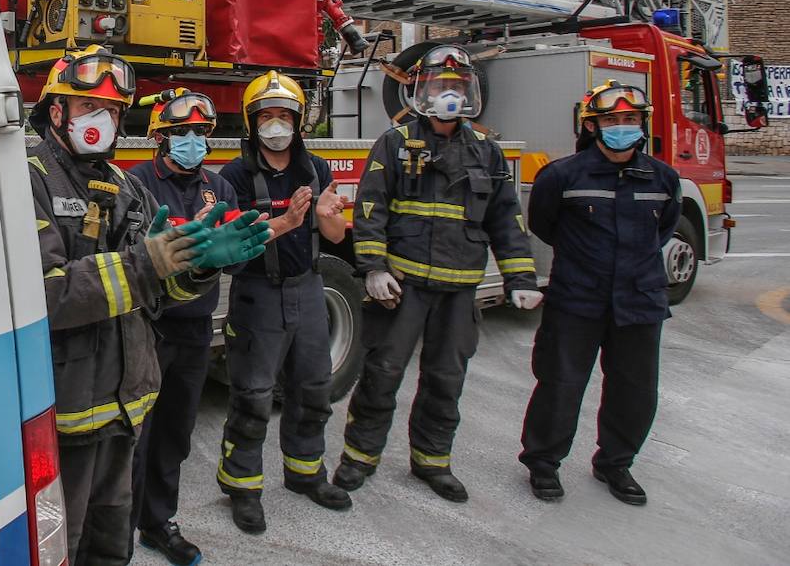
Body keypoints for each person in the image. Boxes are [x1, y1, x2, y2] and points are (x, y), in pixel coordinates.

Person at [30, 46, 268, 566]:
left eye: (113, 111)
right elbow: (46, 296)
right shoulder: (28, 179)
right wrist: (148, 263)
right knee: (62, 548)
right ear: (56, 111)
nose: (103, 120)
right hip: (66, 416)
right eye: (89, 107)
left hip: (124, 409)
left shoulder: (126, 187)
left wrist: (196, 268)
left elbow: (158, 295)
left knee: (112, 545)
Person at [334, 45, 541, 504]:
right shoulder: (395, 143)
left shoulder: (486, 151)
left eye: (457, 86)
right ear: (421, 91)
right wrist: (373, 268)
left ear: (471, 92)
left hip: (458, 290)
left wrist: (521, 279)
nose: (449, 94)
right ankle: (359, 458)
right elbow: (370, 208)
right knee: (382, 373)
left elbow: (506, 218)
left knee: (446, 380)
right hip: (403, 287)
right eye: (440, 85)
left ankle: (432, 461)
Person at [519, 81, 680, 506]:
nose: (622, 126)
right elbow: (544, 225)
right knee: (560, 385)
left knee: (635, 391)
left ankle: (616, 463)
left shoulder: (662, 178)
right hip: (577, 299)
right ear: (592, 126)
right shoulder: (562, 176)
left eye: (630, 118)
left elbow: (664, 228)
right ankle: (543, 463)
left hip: (640, 300)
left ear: (642, 124)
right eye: (611, 119)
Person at [216, 71, 354, 533]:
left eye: (284, 115)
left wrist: (327, 216)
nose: (276, 124)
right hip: (257, 295)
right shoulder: (235, 176)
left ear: (298, 121)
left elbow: (334, 234)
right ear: (252, 122)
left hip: (309, 289)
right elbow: (234, 241)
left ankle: (305, 472)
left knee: (313, 387)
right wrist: (288, 221)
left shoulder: (315, 169)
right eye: (266, 116)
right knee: (253, 396)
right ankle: (242, 486)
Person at [127, 90, 241, 566]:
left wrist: (224, 246)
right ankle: (117, 532)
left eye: (199, 132)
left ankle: (158, 523)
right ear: (160, 136)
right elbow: (131, 254)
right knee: (135, 437)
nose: (191, 140)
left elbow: (234, 252)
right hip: (149, 328)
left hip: (195, 330)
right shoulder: (136, 182)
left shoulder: (220, 186)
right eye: (180, 132)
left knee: (175, 433)